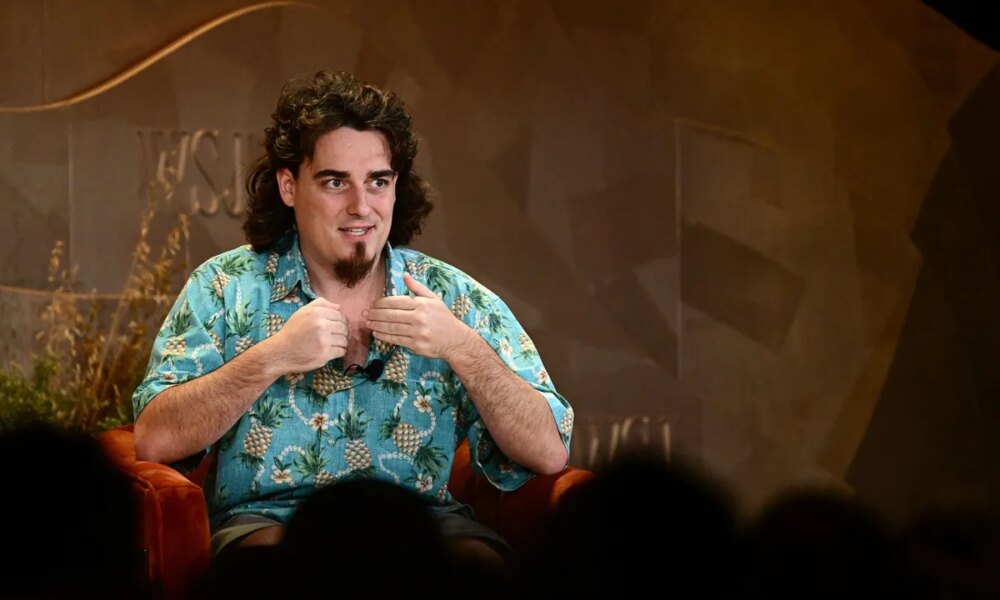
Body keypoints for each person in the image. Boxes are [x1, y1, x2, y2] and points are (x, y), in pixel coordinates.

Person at [132, 70, 573, 567]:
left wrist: (462, 347)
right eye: (335, 182)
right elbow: (154, 438)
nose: (361, 207)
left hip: (422, 525)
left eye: (377, 182)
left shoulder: (451, 295)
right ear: (288, 186)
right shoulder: (226, 286)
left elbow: (549, 452)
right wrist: (272, 356)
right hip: (270, 522)